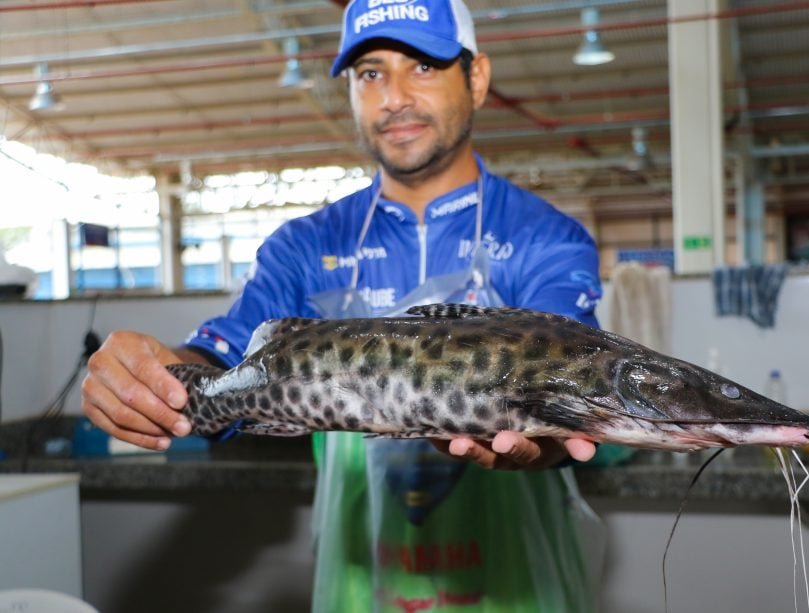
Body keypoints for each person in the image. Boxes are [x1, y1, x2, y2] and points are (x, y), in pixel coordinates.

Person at [82, 0, 606, 610]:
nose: (394, 98)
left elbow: (573, 383)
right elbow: (225, 359)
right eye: (371, 73)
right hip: (361, 589)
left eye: (424, 67)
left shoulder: (547, 238)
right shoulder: (305, 246)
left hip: (519, 588)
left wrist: (542, 441)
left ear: (478, 77)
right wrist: (150, 377)